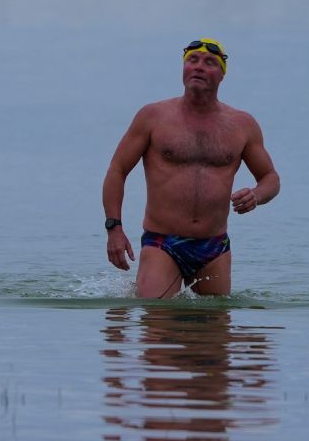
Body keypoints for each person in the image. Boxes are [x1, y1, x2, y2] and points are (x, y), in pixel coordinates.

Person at [101, 37, 280, 298]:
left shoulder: (242, 125)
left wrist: (257, 195)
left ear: (221, 76)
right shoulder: (153, 117)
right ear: (183, 69)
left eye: (209, 63)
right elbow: (117, 170)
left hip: (214, 246)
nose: (198, 67)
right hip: (162, 242)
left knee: (214, 331)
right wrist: (114, 228)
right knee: (157, 321)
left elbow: (270, 177)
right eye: (192, 61)